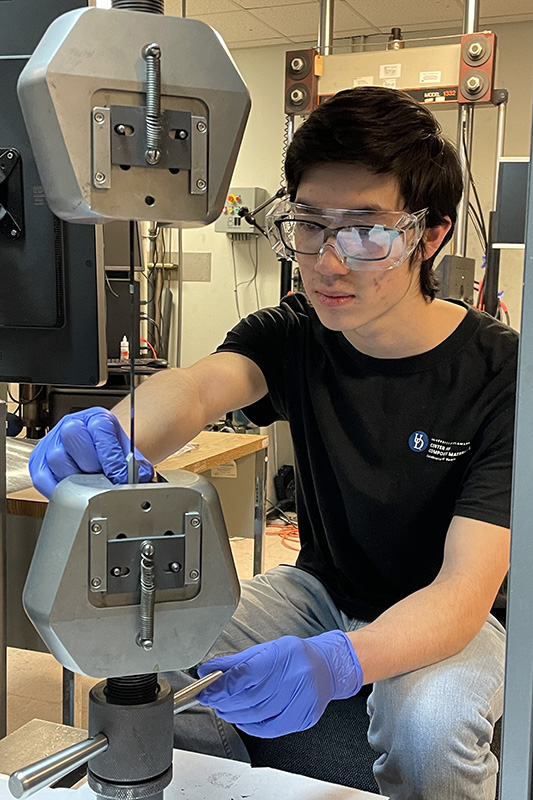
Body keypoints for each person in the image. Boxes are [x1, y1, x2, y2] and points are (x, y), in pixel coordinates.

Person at [29, 87, 516, 800]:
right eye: (309, 225)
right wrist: (115, 431)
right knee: (158, 658)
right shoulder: (294, 331)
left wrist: (339, 664)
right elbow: (198, 389)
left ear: (430, 235)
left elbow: (461, 593)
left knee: (430, 728)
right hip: (318, 587)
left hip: (450, 611)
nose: (327, 260)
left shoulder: (502, 372)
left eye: (364, 231)